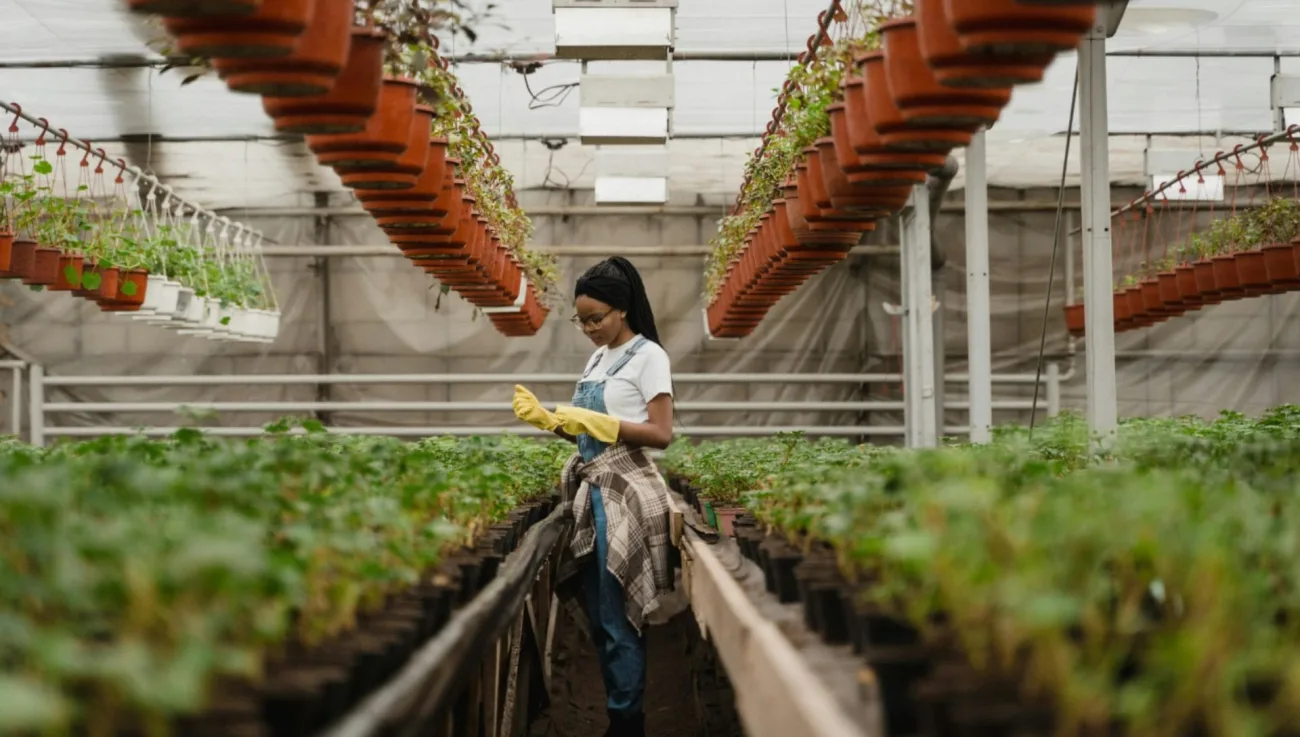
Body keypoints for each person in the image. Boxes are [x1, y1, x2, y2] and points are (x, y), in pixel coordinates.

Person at [511, 257, 674, 737]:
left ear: (621, 310)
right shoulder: (597, 359)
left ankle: (627, 722)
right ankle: (619, 712)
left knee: (617, 616)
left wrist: (603, 424)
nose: (587, 328)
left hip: (624, 493)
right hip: (592, 488)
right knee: (601, 616)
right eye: (580, 320)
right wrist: (553, 421)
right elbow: (586, 438)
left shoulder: (650, 357)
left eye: (595, 318)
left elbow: (661, 434)